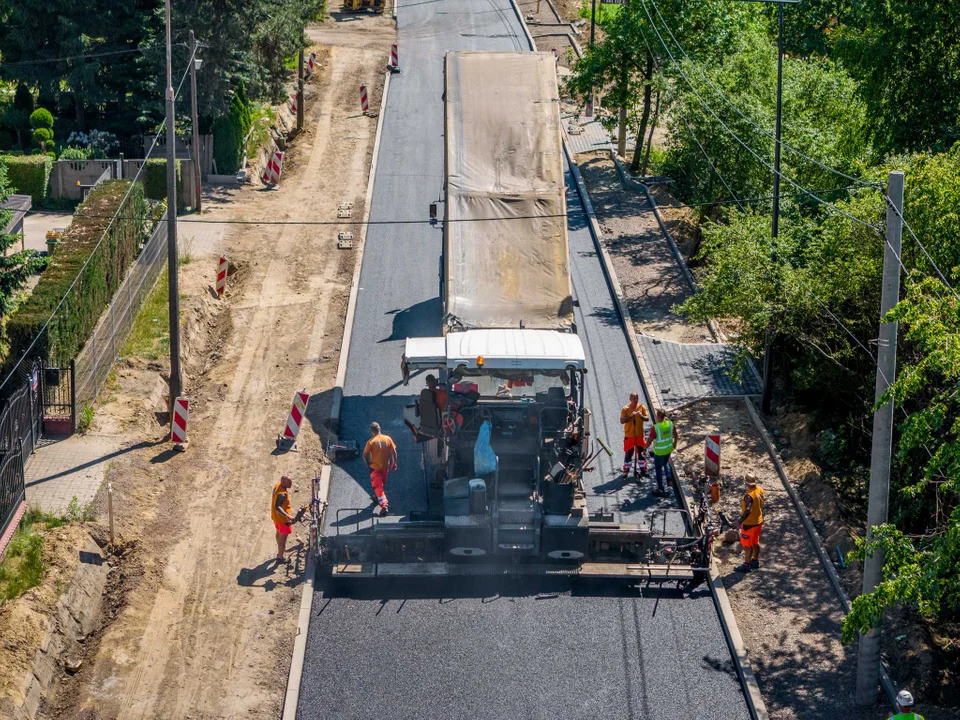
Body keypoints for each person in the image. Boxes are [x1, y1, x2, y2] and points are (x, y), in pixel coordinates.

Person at [363, 421, 397, 517]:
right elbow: (394, 452)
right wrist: (394, 463)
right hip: (385, 467)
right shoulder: (388, 439)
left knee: (378, 487)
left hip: (375, 468)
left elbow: (364, 455)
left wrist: (368, 464)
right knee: (381, 485)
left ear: (371, 431)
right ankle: (376, 497)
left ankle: (384, 506)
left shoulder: (371, 442)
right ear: (379, 429)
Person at [735, 474, 765, 573]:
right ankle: (755, 561)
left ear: (746, 483)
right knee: (755, 541)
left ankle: (746, 565)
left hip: (749, 525)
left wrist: (739, 521)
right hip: (758, 522)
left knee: (747, 546)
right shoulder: (760, 489)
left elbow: (748, 510)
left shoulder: (749, 496)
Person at [646, 408, 677, 496]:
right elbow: (675, 434)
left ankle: (660, 489)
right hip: (668, 449)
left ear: (659, 416)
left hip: (659, 452)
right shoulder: (670, 423)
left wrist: (644, 448)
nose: (655, 417)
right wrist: (675, 443)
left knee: (658, 469)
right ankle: (669, 478)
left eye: (656, 415)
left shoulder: (656, 428)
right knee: (666, 462)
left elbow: (649, 441)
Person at [620, 393, 648, 479]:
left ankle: (643, 470)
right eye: (634, 398)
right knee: (628, 454)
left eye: (637, 398)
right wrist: (631, 416)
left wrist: (641, 416)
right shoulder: (625, 409)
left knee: (641, 454)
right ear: (630, 399)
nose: (636, 400)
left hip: (639, 435)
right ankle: (626, 471)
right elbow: (622, 421)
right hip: (629, 435)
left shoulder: (642, 407)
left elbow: (647, 418)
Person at [271, 475, 295, 562]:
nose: (291, 484)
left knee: (278, 534)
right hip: (283, 520)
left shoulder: (277, 486)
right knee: (283, 540)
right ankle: (280, 557)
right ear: (284, 482)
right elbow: (278, 507)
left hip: (276, 518)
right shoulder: (282, 494)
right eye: (289, 482)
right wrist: (287, 516)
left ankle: (279, 552)